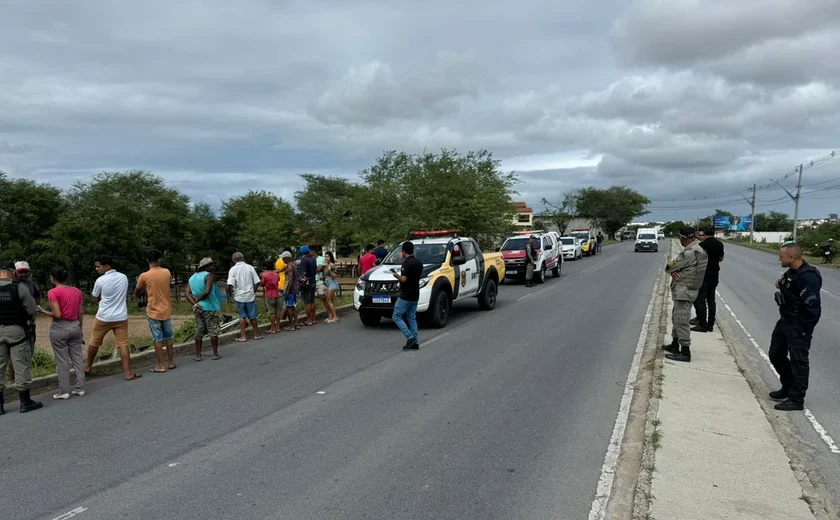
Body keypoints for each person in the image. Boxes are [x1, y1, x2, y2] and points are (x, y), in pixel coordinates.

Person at [768, 243, 822, 411]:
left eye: (782, 256)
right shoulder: (792, 272)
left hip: (799, 324)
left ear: (792, 258)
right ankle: (788, 386)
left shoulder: (808, 276)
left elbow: (812, 306)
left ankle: (796, 399)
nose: (779, 259)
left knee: (799, 361)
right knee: (776, 353)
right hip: (785, 320)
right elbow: (789, 285)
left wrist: (804, 328)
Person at [87, 255, 141, 381]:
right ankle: (128, 373)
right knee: (122, 343)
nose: (97, 269)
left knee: (94, 341)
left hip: (103, 317)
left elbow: (94, 298)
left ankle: (88, 367)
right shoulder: (123, 277)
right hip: (120, 317)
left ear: (107, 266)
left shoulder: (100, 281)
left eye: (98, 266)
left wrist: (102, 300)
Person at [37, 265, 85, 399]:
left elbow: (57, 314)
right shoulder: (77, 291)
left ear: (52, 278)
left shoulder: (53, 292)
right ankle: (80, 387)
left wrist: (43, 311)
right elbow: (80, 312)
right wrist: (80, 328)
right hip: (75, 325)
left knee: (62, 360)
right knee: (77, 357)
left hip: (59, 328)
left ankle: (64, 390)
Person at [0, 260, 42, 413]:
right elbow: (31, 309)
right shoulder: (19, 287)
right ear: (13, 272)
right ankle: (25, 402)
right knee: (21, 365)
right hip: (16, 331)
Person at [662, 227, 708, 363]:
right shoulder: (699, 250)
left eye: (681, 238)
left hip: (684, 291)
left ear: (684, 238)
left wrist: (672, 268)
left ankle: (685, 351)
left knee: (681, 320)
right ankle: (675, 344)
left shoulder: (689, 253)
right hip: (689, 289)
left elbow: (670, 266)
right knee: (677, 317)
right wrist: (675, 270)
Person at [136, 250, 176, 373]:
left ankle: (160, 365)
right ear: (159, 260)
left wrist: (139, 296)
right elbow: (169, 285)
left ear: (147, 260)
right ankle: (170, 362)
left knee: (157, 339)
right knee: (168, 337)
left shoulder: (144, 276)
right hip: (166, 309)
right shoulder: (166, 272)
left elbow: (138, 290)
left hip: (153, 311)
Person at [8, 261, 40, 383]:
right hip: (14, 324)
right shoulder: (10, 285)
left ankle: (24, 379)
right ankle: (13, 380)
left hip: (29, 324)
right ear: (15, 272)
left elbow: (37, 297)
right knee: (14, 356)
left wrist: (34, 308)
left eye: (25, 271)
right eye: (21, 272)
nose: (24, 274)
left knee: (28, 353)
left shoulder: (31, 284)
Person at [186, 257, 221, 361]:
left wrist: (195, 303)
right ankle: (215, 353)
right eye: (211, 265)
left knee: (199, 329)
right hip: (210, 307)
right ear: (206, 267)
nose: (213, 267)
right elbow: (207, 291)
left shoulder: (192, 278)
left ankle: (198, 355)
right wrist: (199, 299)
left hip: (197, 308)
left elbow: (187, 293)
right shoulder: (209, 276)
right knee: (213, 330)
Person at [691, 227, 724, 333]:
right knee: (711, 300)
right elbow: (721, 258)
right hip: (714, 274)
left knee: (700, 300)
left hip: (703, 275)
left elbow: (695, 260)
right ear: (714, 233)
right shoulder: (720, 244)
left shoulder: (702, 245)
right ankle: (710, 325)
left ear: (704, 234)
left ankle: (702, 324)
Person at [392, 241, 424, 350]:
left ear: (404, 251)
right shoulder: (419, 263)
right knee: (412, 317)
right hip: (415, 293)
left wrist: (397, 276)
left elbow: (404, 279)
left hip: (405, 295)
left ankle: (410, 337)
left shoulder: (406, 263)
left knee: (396, 316)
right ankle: (415, 340)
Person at [227, 252, 262, 342]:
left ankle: (243, 336)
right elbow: (257, 282)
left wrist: (230, 295)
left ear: (233, 260)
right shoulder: (250, 267)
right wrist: (253, 291)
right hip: (250, 296)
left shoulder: (233, 269)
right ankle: (256, 334)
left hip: (239, 297)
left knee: (242, 316)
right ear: (243, 258)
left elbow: (229, 285)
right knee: (252, 316)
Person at [300, 246, 318, 326]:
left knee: (307, 302)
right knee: (312, 301)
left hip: (307, 282)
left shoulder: (304, 259)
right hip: (313, 280)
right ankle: (313, 319)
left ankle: (309, 320)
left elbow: (304, 273)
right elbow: (316, 270)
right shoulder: (313, 259)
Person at [261, 261, 281, 334]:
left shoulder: (265, 275)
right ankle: (278, 327)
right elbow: (278, 280)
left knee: (272, 312)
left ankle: (272, 328)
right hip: (276, 293)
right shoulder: (276, 274)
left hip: (269, 294)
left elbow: (262, 283)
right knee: (277, 311)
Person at [281, 252, 300, 331]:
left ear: (287, 258)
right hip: (295, 288)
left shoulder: (290, 266)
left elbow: (290, 280)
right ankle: (297, 323)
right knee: (293, 307)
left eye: (283, 258)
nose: (282, 260)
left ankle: (291, 325)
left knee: (289, 307)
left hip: (290, 289)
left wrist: (287, 291)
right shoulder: (294, 264)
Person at [323, 252, 340, 323]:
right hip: (328, 283)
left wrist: (330, 271)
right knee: (330, 300)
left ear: (331, 257)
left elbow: (335, 276)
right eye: (325, 257)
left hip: (332, 283)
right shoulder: (327, 265)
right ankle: (331, 316)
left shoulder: (332, 265)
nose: (326, 258)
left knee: (329, 300)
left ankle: (335, 317)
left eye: (328, 257)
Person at [315, 247, 328, 312]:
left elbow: (319, 269)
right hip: (311, 280)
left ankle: (329, 312)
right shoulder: (309, 259)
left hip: (319, 280)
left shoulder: (321, 259)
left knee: (323, 296)